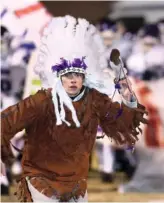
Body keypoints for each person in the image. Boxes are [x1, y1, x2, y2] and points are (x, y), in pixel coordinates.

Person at [1, 15, 148, 202]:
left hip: (75, 185)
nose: (73, 80)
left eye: (78, 74)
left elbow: (125, 121)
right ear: (57, 76)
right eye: (67, 74)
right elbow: (6, 124)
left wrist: (129, 98)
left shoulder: (94, 100)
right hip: (42, 183)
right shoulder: (40, 101)